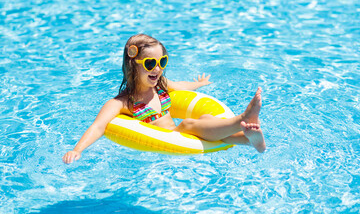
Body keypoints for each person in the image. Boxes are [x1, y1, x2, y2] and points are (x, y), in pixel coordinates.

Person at [62, 34, 266, 164]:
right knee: (187, 124)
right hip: (169, 144)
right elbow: (98, 126)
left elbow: (181, 86)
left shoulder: (161, 86)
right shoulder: (122, 103)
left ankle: (249, 140)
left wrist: (198, 85)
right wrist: (77, 149)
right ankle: (243, 118)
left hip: (184, 136)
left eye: (162, 61)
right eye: (150, 63)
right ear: (133, 66)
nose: (158, 69)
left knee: (203, 118)